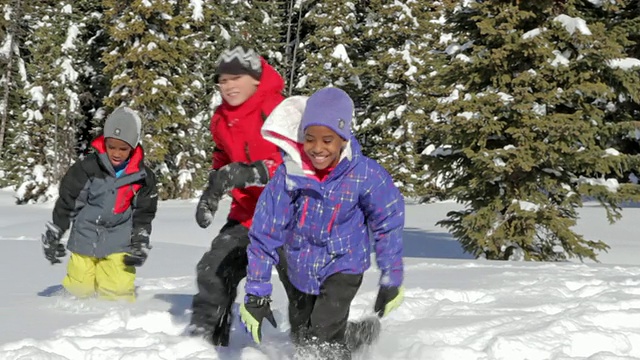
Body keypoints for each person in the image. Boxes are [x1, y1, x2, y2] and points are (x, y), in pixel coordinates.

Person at [239, 87, 405, 359]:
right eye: (310, 139)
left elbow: (388, 222)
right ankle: (353, 335)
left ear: (343, 139)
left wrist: (392, 277)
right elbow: (264, 232)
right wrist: (257, 291)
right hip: (298, 262)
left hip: (344, 262)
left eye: (328, 140)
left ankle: (335, 349)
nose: (317, 148)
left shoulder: (365, 174)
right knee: (303, 337)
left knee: (322, 336)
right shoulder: (289, 175)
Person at [189, 45, 286, 346]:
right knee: (213, 269)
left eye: (236, 78)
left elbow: (297, 161)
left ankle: (322, 341)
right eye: (222, 80)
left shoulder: (277, 110)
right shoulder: (220, 119)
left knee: (303, 285)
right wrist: (211, 192)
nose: (228, 86)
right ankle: (203, 340)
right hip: (246, 216)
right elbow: (221, 158)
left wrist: (250, 172)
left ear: (256, 79)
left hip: (290, 216)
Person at [41, 106, 158, 302]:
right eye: (111, 146)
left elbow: (144, 212)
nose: (117, 153)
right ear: (104, 142)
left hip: (119, 240)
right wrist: (56, 231)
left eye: (123, 148)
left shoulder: (142, 176)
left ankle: (112, 326)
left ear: (133, 146)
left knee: (118, 291)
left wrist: (140, 240)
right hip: (85, 236)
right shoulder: (87, 168)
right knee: (79, 290)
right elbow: (68, 201)